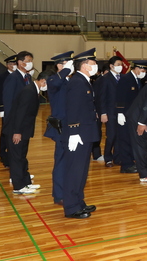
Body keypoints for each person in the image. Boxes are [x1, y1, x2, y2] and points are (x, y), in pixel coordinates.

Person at [63, 48, 100, 219]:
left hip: (86, 132)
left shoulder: (84, 81)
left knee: (82, 170)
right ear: (84, 65)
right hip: (79, 134)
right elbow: (73, 109)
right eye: (93, 63)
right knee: (75, 170)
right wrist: (74, 132)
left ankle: (79, 202)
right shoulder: (77, 82)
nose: (95, 66)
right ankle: (71, 207)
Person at [6, 71, 51, 194]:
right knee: (16, 158)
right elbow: (20, 113)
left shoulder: (33, 90)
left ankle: (26, 182)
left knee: (22, 157)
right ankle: (18, 186)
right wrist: (17, 132)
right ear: (43, 81)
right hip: (17, 130)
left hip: (24, 130)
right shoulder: (29, 91)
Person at [45, 51, 75, 205]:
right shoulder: (54, 79)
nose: (71, 67)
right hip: (61, 127)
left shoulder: (69, 80)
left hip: (71, 126)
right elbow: (54, 83)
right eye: (67, 64)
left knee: (70, 161)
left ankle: (68, 191)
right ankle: (59, 194)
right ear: (59, 65)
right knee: (61, 161)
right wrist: (65, 70)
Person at [115, 60, 147, 173]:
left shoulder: (138, 80)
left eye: (144, 70)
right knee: (125, 139)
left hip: (133, 115)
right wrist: (120, 112)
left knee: (131, 139)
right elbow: (120, 95)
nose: (143, 72)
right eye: (142, 70)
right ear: (136, 68)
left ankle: (131, 161)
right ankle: (126, 165)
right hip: (125, 114)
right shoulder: (126, 79)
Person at [96, 56, 123, 167]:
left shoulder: (123, 77)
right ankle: (108, 157)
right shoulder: (105, 78)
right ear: (111, 66)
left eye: (121, 65)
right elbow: (101, 97)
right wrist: (103, 113)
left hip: (120, 112)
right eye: (118, 64)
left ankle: (117, 157)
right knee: (111, 135)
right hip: (109, 111)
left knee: (119, 135)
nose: (120, 67)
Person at [0, 54, 17, 168]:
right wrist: (1, 108)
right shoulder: (2, 77)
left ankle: (12, 154)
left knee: (15, 131)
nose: (12, 65)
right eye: (10, 64)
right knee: (5, 132)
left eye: (14, 63)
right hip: (7, 109)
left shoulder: (19, 76)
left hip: (17, 110)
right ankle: (3, 154)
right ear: (7, 65)